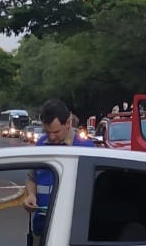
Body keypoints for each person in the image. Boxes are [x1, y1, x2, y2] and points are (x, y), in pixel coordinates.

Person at [23, 98, 95, 238]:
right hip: (42, 228)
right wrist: (31, 195)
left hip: (72, 233)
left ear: (68, 123)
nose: (51, 137)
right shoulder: (41, 145)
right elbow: (32, 178)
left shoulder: (85, 148)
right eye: (47, 131)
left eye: (55, 132)